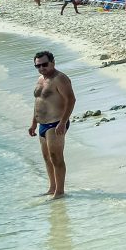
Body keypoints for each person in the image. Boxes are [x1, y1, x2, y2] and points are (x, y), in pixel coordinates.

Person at [29, 51, 76, 199]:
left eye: (44, 64)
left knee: (56, 157)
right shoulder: (40, 79)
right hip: (42, 124)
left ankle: (60, 192)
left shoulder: (60, 78)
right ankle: (52, 188)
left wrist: (63, 122)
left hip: (56, 123)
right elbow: (39, 102)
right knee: (47, 157)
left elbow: (71, 100)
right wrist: (33, 123)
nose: (41, 68)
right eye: (38, 65)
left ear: (53, 62)